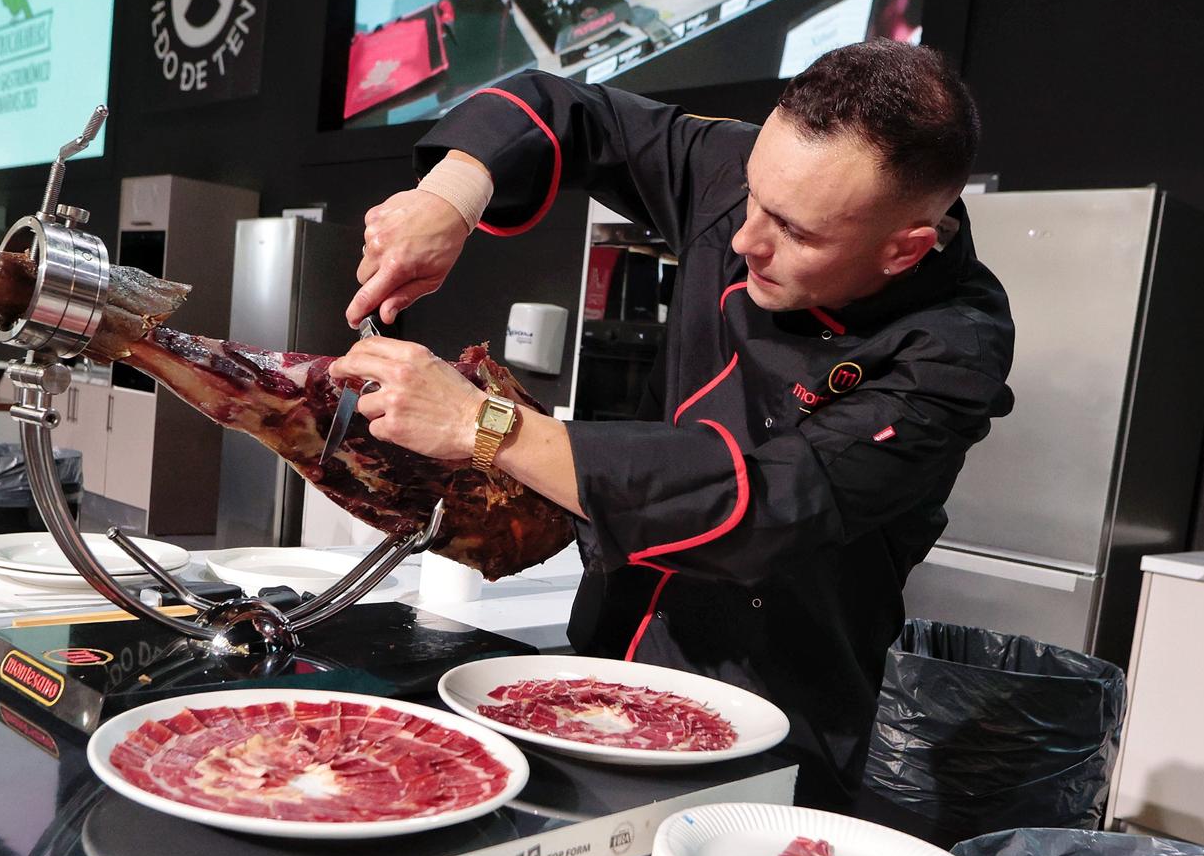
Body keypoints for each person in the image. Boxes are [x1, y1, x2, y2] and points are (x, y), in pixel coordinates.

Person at [330, 41, 1014, 810]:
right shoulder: (743, 177)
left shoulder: (953, 349)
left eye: (795, 232)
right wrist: (450, 195)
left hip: (776, 709)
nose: (745, 237)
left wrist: (485, 425)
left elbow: (768, 505)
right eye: (753, 196)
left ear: (905, 249)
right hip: (604, 653)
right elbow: (566, 109)